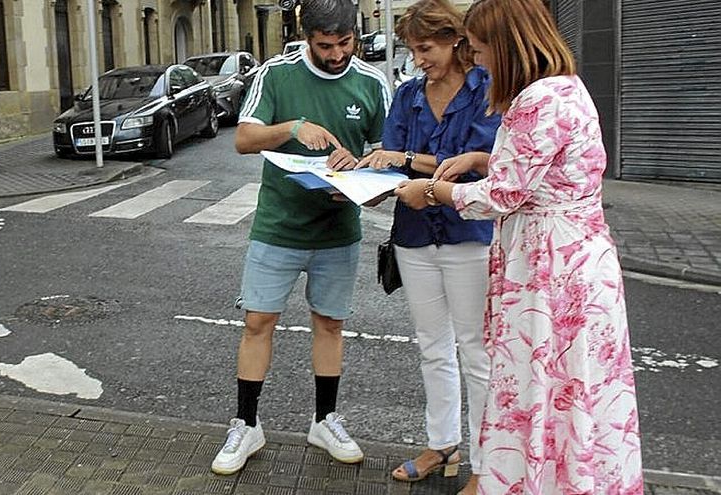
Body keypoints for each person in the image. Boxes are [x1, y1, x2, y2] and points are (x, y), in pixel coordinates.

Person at [394, 0, 644, 493]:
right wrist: (483, 158)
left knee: (538, 381)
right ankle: (575, 479)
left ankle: (531, 481)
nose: (478, 59)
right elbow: (542, 172)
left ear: (508, 45)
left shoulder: (535, 99)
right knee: (576, 388)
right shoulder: (567, 88)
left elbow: (505, 195)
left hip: (550, 264)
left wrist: (432, 192)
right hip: (579, 255)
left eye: (482, 48)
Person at [210, 0, 392, 476]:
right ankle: (246, 424)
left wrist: (364, 185)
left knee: (330, 324)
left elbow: (386, 159)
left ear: (355, 35)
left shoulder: (372, 83)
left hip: (339, 228)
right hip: (278, 226)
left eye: (345, 44)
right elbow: (243, 140)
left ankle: (324, 419)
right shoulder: (276, 74)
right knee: (258, 322)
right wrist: (292, 127)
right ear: (307, 36)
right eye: (325, 45)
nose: (336, 55)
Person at [357, 1, 500, 491]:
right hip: (414, 236)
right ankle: (443, 445)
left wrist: (408, 158)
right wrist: (359, 181)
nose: (418, 59)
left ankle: (486, 465)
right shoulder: (408, 96)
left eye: (426, 48)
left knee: (477, 353)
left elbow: (483, 168)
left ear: (455, 41)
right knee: (432, 348)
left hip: (468, 234)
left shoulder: (487, 91)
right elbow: (392, 162)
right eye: (413, 50)